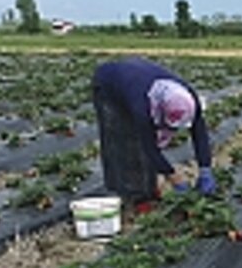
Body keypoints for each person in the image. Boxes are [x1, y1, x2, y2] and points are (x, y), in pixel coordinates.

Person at [91, 57, 216, 202]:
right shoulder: (142, 108)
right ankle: (130, 193)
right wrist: (173, 176)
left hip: (136, 78)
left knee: (142, 147)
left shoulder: (189, 99)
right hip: (108, 84)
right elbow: (149, 147)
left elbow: (199, 132)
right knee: (124, 141)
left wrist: (205, 169)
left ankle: (149, 188)